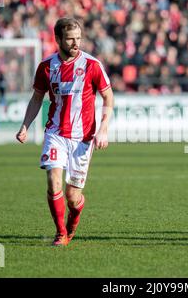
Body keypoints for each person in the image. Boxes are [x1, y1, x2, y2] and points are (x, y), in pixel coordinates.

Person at [15, 17, 114, 247]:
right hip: (56, 134)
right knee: (53, 181)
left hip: (83, 138)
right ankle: (60, 233)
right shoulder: (47, 67)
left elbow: (108, 96)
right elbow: (37, 98)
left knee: (73, 197)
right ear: (58, 39)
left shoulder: (92, 65)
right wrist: (25, 126)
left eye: (78, 38)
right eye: (70, 39)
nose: (75, 43)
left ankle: (74, 217)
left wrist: (103, 129)